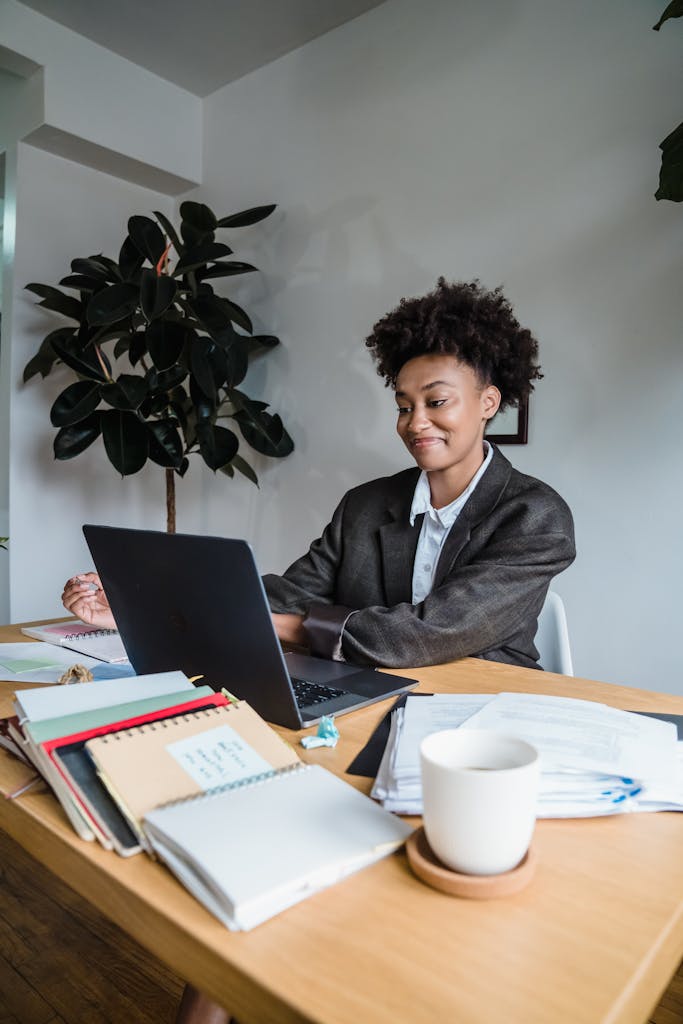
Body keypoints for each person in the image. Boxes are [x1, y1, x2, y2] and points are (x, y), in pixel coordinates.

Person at [63, 278, 575, 671]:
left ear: (489, 402)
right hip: (368, 687)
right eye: (403, 405)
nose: (415, 423)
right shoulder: (366, 504)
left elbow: (425, 633)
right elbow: (288, 593)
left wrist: (276, 626)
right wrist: (143, 600)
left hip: (484, 709)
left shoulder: (535, 516)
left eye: (437, 401)